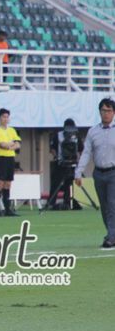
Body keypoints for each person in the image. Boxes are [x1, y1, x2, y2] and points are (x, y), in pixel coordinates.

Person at [75, 98, 115, 249]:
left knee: (112, 205)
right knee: (104, 207)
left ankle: (110, 237)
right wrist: (78, 172)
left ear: (114, 112)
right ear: (99, 112)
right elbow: (86, 153)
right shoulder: (93, 131)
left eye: (109, 110)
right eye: (103, 110)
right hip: (98, 173)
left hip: (113, 172)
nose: (106, 114)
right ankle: (112, 234)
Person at [48, 119, 83, 210]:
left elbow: (81, 149)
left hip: (72, 162)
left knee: (69, 184)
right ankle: (51, 202)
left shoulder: (76, 136)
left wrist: (79, 159)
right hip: (60, 163)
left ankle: (68, 202)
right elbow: (52, 148)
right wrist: (57, 157)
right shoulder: (58, 135)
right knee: (56, 183)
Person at [0, 108, 21, 217]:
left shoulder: (12, 130)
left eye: (7, 116)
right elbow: (1, 144)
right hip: (1, 158)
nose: (5, 119)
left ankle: (8, 209)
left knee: (8, 183)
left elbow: (18, 144)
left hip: (10, 158)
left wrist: (10, 145)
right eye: (3, 116)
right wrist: (11, 144)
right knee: (0, 182)